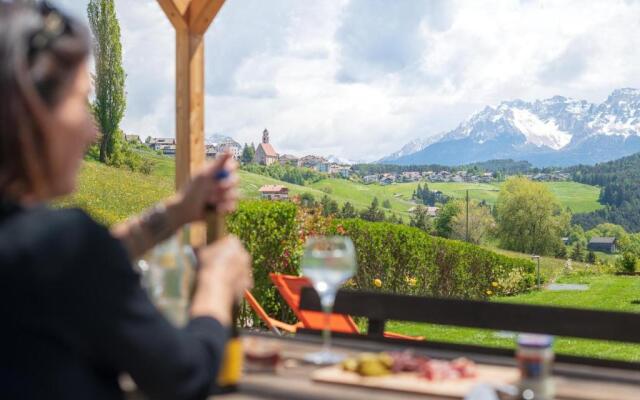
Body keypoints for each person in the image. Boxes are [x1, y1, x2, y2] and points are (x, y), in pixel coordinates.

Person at [0, 1, 253, 399]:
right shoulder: (58, 246)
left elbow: (68, 269)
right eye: (80, 101)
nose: (91, 132)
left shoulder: (34, 251)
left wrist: (178, 210)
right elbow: (182, 374)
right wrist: (216, 284)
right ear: (29, 110)